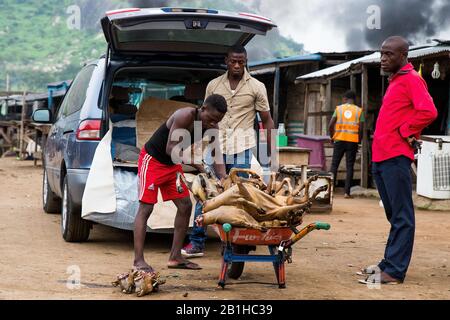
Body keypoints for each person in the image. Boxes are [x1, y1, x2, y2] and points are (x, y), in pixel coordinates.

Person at [182, 45, 275, 258]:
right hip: (215, 147)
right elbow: (203, 116)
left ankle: (234, 243)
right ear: (226, 60)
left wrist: (271, 153)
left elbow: (267, 120)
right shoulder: (214, 85)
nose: (236, 65)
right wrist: (197, 147)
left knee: (239, 195)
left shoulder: (257, 87)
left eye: (241, 61)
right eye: (233, 61)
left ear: (246, 61)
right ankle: (197, 242)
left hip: (241, 148)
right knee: (205, 193)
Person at [359, 36, 437, 285]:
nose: (383, 58)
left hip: (395, 157)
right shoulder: (396, 81)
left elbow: (428, 111)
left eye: (389, 54)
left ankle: (394, 270)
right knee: (394, 214)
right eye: (382, 53)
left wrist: (406, 131)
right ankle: (388, 262)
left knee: (402, 216)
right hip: (382, 157)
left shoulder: (412, 79)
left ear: (404, 56)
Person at [133, 94, 228, 272]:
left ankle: (175, 257)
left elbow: (217, 154)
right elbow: (170, 149)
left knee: (185, 206)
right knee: (146, 208)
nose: (214, 124)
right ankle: (138, 261)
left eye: (218, 121)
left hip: (172, 166)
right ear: (203, 108)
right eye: (212, 119)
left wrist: (223, 177)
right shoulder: (184, 116)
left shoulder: (212, 126)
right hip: (153, 161)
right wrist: (197, 164)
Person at [328, 90, 364, 199]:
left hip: (339, 140)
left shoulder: (339, 109)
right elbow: (361, 129)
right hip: (352, 141)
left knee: (334, 165)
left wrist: (332, 137)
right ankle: (346, 193)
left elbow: (330, 125)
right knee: (350, 167)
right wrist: (358, 141)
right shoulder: (359, 111)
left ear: (345, 99)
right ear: (354, 99)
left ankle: (330, 191)